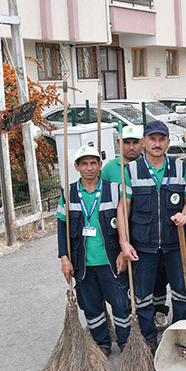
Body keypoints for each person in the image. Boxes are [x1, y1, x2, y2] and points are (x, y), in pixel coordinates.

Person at [116, 121, 186, 350]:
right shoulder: (130, 171)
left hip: (174, 243)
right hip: (144, 245)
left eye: (162, 139)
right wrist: (124, 242)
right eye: (152, 139)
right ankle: (148, 337)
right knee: (143, 295)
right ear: (144, 142)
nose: (157, 144)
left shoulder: (180, 168)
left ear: (168, 142)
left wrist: (185, 215)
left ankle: (178, 336)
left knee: (181, 291)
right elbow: (123, 208)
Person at [58, 146, 131, 356]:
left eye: (93, 163)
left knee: (120, 304)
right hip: (83, 264)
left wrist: (122, 252)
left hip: (111, 261)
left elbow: (126, 223)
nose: (89, 168)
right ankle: (102, 342)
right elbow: (62, 228)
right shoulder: (69, 193)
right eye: (84, 164)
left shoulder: (115, 189)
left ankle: (126, 341)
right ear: (77, 167)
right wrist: (65, 258)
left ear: (100, 165)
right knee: (91, 307)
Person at [102, 124, 172, 330]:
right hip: (120, 232)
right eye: (127, 143)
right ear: (120, 144)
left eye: (134, 143)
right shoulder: (109, 169)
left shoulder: (146, 166)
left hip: (147, 232)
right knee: (127, 277)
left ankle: (159, 311)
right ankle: (131, 315)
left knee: (157, 276)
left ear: (141, 144)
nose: (131, 147)